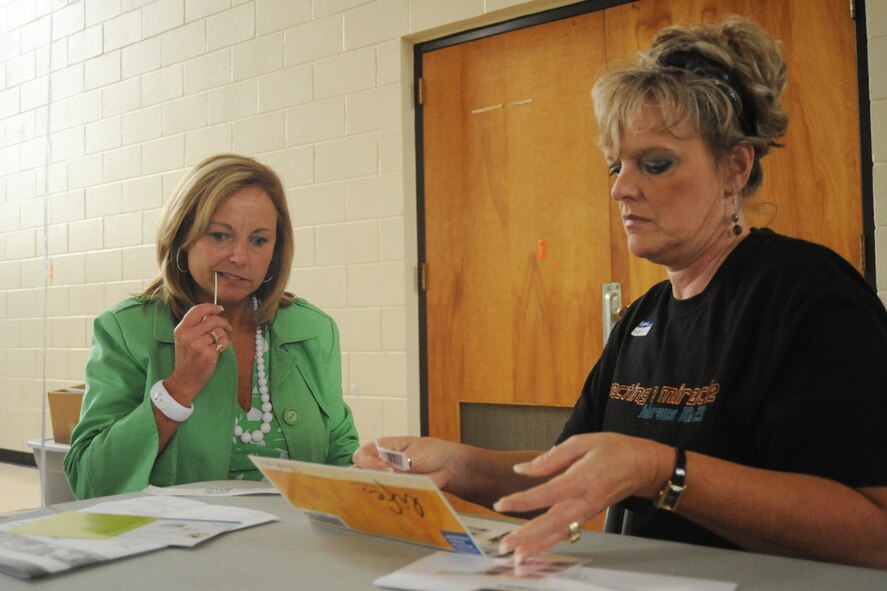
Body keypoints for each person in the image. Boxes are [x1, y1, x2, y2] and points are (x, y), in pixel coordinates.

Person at [354, 17, 887, 568]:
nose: (620, 188)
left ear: (735, 167)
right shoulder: (642, 320)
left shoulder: (807, 298)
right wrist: (458, 464)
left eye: (655, 164)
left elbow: (876, 532)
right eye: (617, 164)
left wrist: (662, 470)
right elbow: (573, 468)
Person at [64, 154, 360, 499]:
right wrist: (179, 387)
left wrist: (375, 470)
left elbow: (340, 452)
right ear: (182, 237)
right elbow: (91, 484)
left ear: (276, 252)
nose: (240, 257)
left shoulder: (312, 328)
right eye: (220, 236)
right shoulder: (126, 329)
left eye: (259, 240)